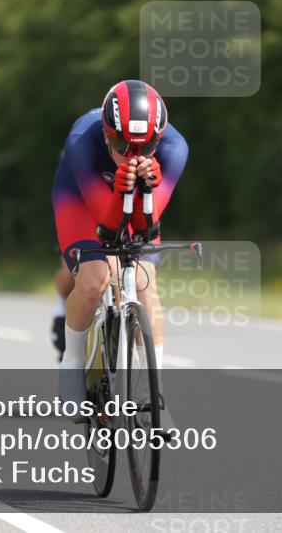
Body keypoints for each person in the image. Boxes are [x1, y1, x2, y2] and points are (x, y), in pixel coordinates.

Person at [52, 80, 188, 408]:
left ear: (159, 139)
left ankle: (152, 392)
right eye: (121, 145)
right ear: (105, 134)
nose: (133, 155)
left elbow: (145, 225)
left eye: (145, 147)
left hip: (134, 201)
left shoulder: (174, 149)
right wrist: (123, 187)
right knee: (94, 280)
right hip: (82, 200)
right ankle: (71, 364)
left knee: (145, 285)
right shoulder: (81, 141)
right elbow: (106, 224)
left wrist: (146, 187)